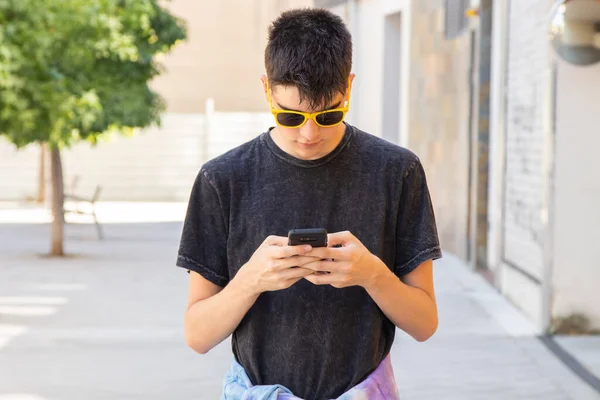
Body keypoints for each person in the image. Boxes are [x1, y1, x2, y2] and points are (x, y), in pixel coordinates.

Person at [176, 7, 442, 400]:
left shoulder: (397, 171)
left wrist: (372, 274)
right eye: (290, 116)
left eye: (329, 114)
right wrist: (252, 280)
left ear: (349, 87)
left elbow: (424, 323)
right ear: (267, 89)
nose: (309, 133)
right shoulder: (223, 180)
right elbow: (197, 335)